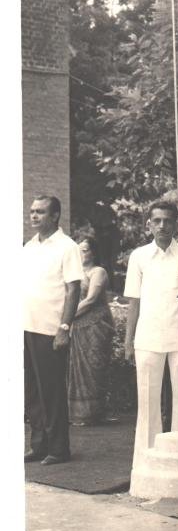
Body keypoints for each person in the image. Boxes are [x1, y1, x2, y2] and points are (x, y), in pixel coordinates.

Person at [124, 201, 178, 474]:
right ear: (148, 225)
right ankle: (145, 465)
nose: (162, 226)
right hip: (148, 338)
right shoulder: (139, 256)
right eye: (156, 221)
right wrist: (128, 341)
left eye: (168, 220)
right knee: (147, 403)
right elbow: (134, 301)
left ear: (176, 224)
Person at [23, 195, 83, 465]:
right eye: (32, 211)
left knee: (52, 391)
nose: (34, 216)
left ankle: (58, 449)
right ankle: (39, 445)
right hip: (25, 326)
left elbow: (73, 289)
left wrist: (64, 328)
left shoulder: (67, 247)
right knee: (32, 392)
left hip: (50, 329)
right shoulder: (29, 247)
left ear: (55, 215)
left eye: (40, 212)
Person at [68, 235, 116, 426]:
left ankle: (95, 414)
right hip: (77, 326)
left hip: (96, 325)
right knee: (75, 368)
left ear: (93, 253)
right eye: (78, 250)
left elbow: (91, 300)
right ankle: (77, 414)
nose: (81, 254)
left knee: (94, 367)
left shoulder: (98, 272)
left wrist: (66, 317)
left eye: (85, 250)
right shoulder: (74, 273)